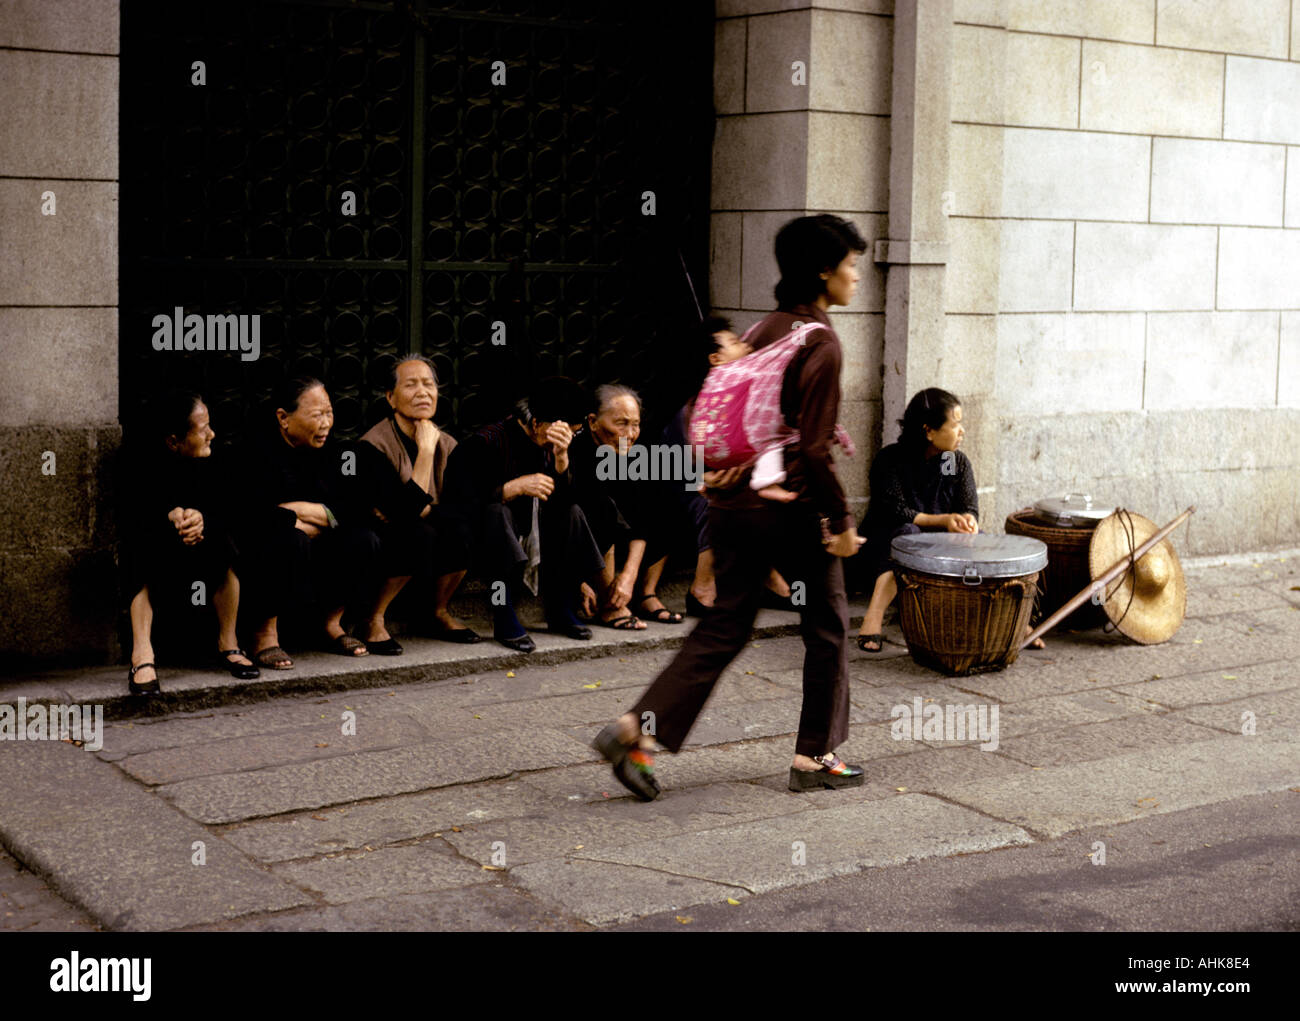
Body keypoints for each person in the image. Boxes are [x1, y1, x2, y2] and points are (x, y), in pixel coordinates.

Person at [593, 214, 869, 800]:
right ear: (824, 272)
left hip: (732, 504)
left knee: (724, 625)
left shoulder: (763, 328)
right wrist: (842, 523)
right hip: (791, 507)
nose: (856, 277)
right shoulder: (820, 341)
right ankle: (815, 755)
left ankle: (634, 730)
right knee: (827, 627)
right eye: (850, 265)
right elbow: (815, 450)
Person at [854, 389, 1045, 652]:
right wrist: (944, 520)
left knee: (986, 542)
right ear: (929, 431)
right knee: (905, 535)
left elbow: (969, 508)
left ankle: (1013, 623)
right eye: (955, 425)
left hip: (940, 548)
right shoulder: (890, 460)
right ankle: (872, 620)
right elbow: (896, 511)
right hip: (885, 544)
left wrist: (968, 522)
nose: (962, 431)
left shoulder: (957, 463)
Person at [443, 376, 607, 653]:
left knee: (572, 512)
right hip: (486, 537)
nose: (569, 437)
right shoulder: (486, 442)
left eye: (574, 432)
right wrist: (508, 489)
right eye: (565, 431)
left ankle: (560, 607)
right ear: (535, 423)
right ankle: (503, 612)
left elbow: (568, 499)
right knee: (497, 514)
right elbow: (457, 503)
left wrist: (561, 459)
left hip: (535, 533)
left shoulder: (560, 444)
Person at [118, 391, 258, 695]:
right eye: (202, 429)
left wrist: (202, 519)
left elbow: (234, 511)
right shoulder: (138, 463)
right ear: (173, 440)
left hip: (200, 551)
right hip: (161, 554)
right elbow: (133, 515)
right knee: (136, 551)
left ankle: (229, 642)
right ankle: (142, 654)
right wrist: (171, 516)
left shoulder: (217, 460)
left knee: (227, 542)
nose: (212, 434)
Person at [237, 377, 380, 668]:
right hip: (268, 550)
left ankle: (330, 623)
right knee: (289, 540)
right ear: (283, 418)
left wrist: (310, 512)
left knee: (364, 539)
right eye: (317, 415)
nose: (326, 422)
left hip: (318, 547)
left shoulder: (336, 453)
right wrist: (295, 520)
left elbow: (357, 508)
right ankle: (264, 634)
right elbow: (251, 513)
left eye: (329, 413)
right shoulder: (254, 453)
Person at [661, 318, 796, 618]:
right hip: (690, 489)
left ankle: (769, 578)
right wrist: (706, 477)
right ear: (715, 358)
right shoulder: (699, 406)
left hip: (732, 484)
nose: (745, 346)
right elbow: (670, 466)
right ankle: (702, 588)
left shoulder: (743, 392)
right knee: (718, 503)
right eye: (734, 343)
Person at [354, 355, 479, 653]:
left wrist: (425, 509)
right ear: (390, 397)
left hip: (426, 535)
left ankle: (437, 612)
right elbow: (404, 514)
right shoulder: (372, 446)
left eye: (429, 384)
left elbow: (463, 505)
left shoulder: (448, 444)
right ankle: (373, 618)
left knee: (464, 528)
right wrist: (424, 453)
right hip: (386, 544)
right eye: (411, 385)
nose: (423, 392)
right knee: (417, 531)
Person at [567, 384, 668, 628]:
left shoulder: (628, 451)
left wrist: (629, 576)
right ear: (592, 422)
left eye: (635, 424)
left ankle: (646, 593)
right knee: (603, 510)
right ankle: (610, 604)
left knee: (665, 497)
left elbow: (640, 517)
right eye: (621, 423)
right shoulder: (574, 452)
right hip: (578, 546)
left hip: (620, 540)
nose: (631, 433)